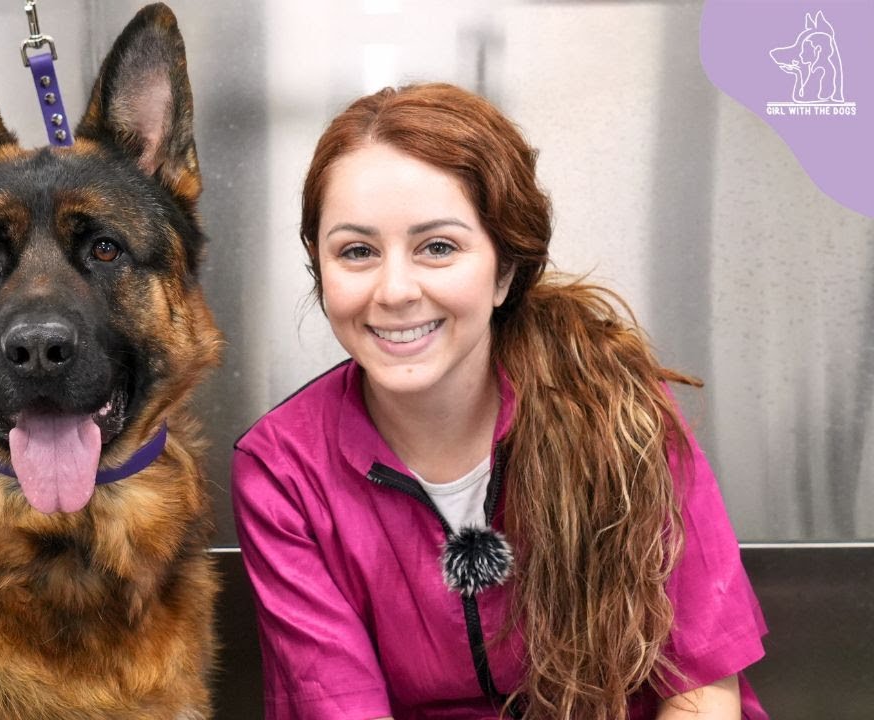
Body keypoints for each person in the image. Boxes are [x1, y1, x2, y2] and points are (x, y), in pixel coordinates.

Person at [230, 83, 768, 720]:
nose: (395, 289)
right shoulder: (283, 470)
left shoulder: (620, 410)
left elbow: (700, 688)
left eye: (438, 247)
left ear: (504, 272)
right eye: (357, 252)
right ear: (322, 276)